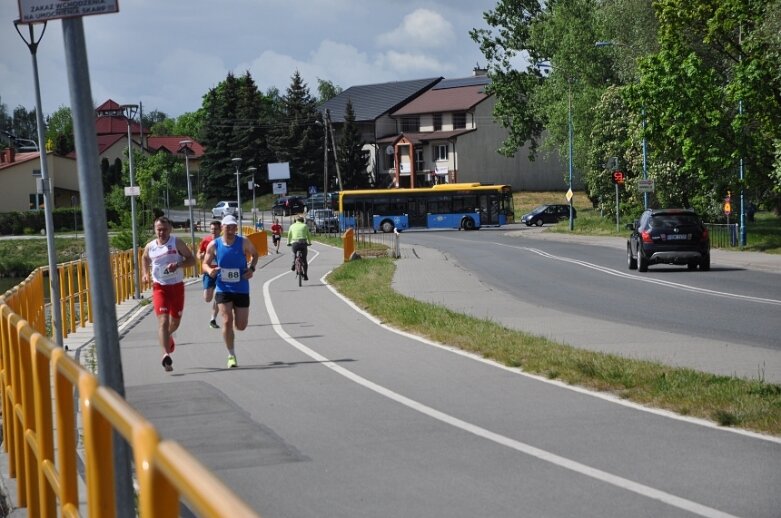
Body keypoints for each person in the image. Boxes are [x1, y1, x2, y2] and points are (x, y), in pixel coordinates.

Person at [201, 215, 259, 368]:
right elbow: (205, 263)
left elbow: (255, 254)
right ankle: (231, 355)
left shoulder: (243, 242)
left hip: (241, 287)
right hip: (223, 287)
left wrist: (252, 268)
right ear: (222, 228)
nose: (232, 230)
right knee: (226, 321)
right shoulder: (214, 245)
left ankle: (232, 330)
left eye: (234, 227)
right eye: (229, 227)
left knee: (241, 326)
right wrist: (210, 270)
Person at [142, 216, 195, 372]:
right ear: (154, 230)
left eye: (164, 229)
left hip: (177, 287)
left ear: (170, 229)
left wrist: (178, 264)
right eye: (158, 229)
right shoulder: (150, 247)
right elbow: (144, 258)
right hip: (160, 288)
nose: (161, 232)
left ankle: (166, 336)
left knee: (175, 323)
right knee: (163, 321)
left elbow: (192, 260)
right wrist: (145, 273)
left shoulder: (176, 243)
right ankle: (165, 355)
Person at [198, 220, 222, 328]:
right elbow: (198, 254)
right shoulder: (206, 241)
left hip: (220, 272)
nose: (214, 231)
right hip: (209, 271)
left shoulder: (223, 241)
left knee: (218, 295)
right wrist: (201, 255)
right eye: (212, 229)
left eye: (216, 229)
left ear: (220, 230)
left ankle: (213, 319)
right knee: (207, 298)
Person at [287, 216, 312, 281]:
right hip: (303, 243)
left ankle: (293, 263)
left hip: (295, 243)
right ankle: (305, 275)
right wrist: (309, 242)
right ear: (302, 220)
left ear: (295, 221)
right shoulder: (305, 226)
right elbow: (308, 235)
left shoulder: (292, 226)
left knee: (293, 253)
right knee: (304, 260)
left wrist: (288, 242)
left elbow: (289, 235)